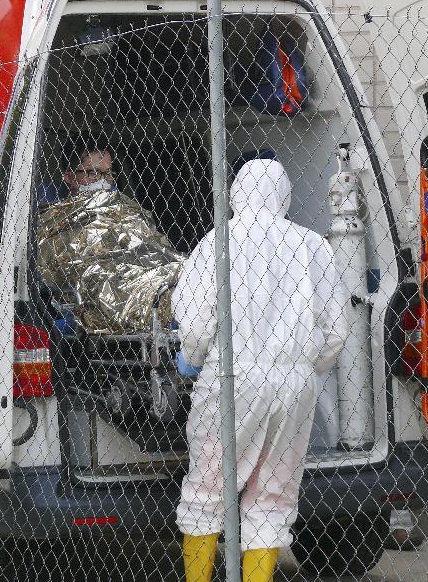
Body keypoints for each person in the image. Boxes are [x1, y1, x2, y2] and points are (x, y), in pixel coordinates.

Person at [172, 159, 348, 582]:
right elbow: (337, 329)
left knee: (207, 489)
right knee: (273, 494)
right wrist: (305, 368)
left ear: (234, 194)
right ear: (284, 197)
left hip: (232, 379)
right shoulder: (312, 245)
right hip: (294, 384)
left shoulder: (220, 240)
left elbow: (195, 321)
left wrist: (193, 361)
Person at [37, 141, 115, 205]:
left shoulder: (113, 194)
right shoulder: (44, 196)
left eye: (108, 173)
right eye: (93, 173)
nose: (103, 181)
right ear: (69, 177)